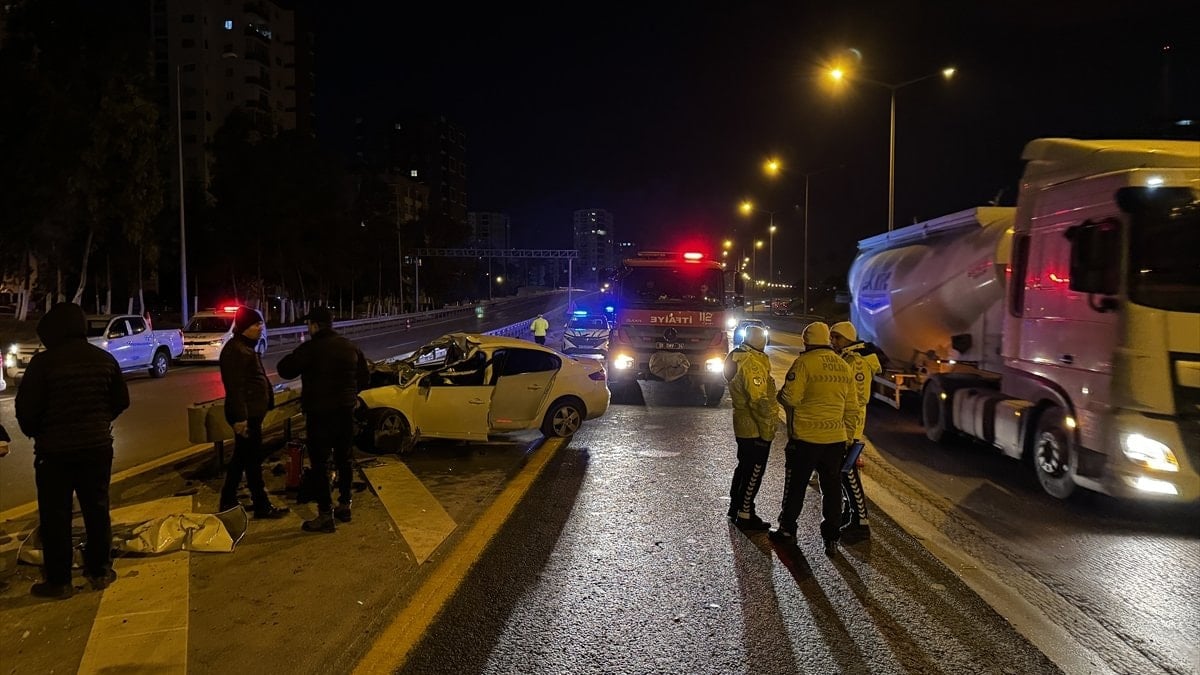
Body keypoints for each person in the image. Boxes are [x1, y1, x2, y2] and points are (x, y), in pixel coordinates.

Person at [15, 302, 130, 599]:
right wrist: (99, 421)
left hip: (55, 454)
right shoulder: (103, 359)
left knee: (56, 516)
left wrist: (39, 432)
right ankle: (100, 570)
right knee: (97, 509)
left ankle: (59, 581)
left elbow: (26, 412)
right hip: (97, 448)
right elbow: (120, 400)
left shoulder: (43, 363)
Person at [769, 321, 861, 556]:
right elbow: (852, 407)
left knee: (796, 486)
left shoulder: (804, 363)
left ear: (807, 341)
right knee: (832, 489)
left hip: (806, 439)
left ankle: (787, 530)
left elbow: (790, 398)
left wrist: (781, 395)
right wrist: (848, 437)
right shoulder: (843, 366)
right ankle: (831, 536)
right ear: (827, 340)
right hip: (835, 440)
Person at [277, 306, 370, 533]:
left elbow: (284, 370)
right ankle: (344, 505)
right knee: (344, 460)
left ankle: (325, 515)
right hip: (345, 413)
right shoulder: (350, 347)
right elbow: (364, 378)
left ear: (314, 325)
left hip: (319, 415)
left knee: (319, 464)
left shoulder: (310, 349)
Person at [218, 306, 289, 520]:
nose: (261, 328)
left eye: (260, 324)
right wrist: (240, 418)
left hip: (251, 414)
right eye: (256, 324)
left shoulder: (246, 348)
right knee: (252, 461)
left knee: (242, 459)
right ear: (244, 328)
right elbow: (235, 388)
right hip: (247, 417)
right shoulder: (237, 351)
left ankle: (229, 500)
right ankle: (261, 505)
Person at [723, 324, 778, 530]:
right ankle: (746, 512)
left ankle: (735, 506)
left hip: (742, 423)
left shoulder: (737, 356)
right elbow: (759, 400)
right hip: (754, 426)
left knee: (744, 466)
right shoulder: (751, 362)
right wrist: (767, 431)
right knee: (755, 469)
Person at [831, 321, 883, 535]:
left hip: (850, 426)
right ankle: (851, 513)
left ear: (848, 339)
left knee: (848, 472)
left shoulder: (857, 362)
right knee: (843, 473)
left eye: (837, 338)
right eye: (832, 337)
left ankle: (860, 522)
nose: (833, 341)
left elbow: (859, 398)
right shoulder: (846, 358)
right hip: (843, 424)